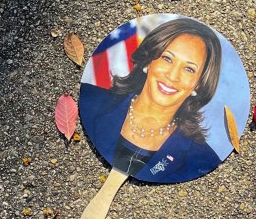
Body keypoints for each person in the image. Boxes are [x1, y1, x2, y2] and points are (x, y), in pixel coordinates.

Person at [80, 18, 223, 183]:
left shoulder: (203, 161)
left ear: (199, 84)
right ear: (148, 61)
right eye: (167, 58)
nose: (172, 76)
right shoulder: (88, 100)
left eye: (189, 69)